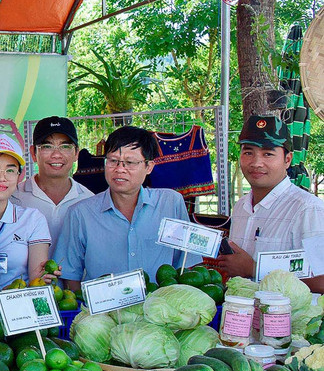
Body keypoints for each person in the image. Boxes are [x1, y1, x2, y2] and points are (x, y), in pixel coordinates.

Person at [56, 126, 197, 291]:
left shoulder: (170, 203)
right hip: (105, 307)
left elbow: (187, 264)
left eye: (130, 162)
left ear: (149, 166)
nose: (120, 169)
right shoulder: (80, 214)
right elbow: (70, 276)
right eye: (113, 161)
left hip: (160, 305)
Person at [215, 115, 324, 292]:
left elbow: (321, 280)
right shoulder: (241, 206)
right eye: (248, 152)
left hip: (287, 311)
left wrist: (254, 269)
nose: (256, 163)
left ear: (287, 160)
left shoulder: (308, 209)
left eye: (268, 154)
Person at [0, 134, 53, 288]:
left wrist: (45, 277)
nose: (2, 177)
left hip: (17, 301)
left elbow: (37, 281)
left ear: (18, 176)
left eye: (10, 170)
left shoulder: (32, 220)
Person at [11, 116, 93, 257]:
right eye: (47, 147)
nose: (56, 155)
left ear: (76, 153)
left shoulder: (89, 202)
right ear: (33, 153)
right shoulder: (13, 198)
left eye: (65, 147)